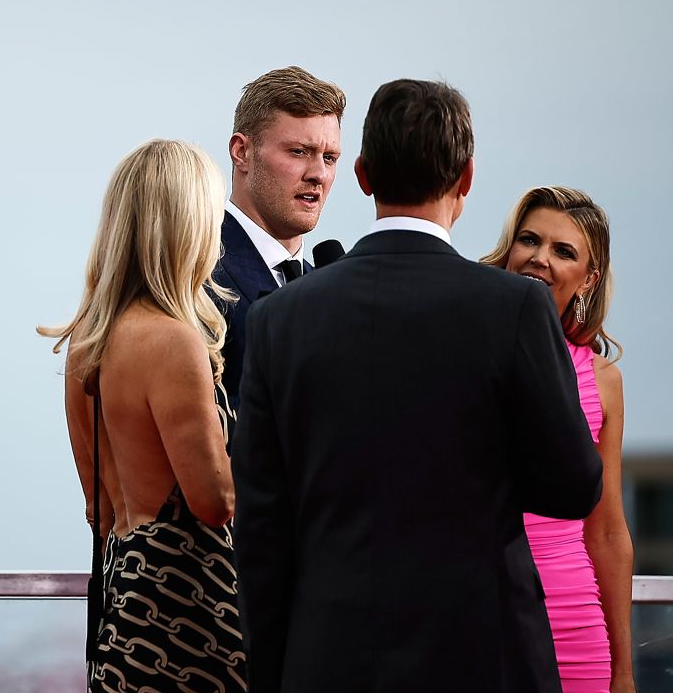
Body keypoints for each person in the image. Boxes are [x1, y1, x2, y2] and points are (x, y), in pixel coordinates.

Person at [230, 79, 605, 692]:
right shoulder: (514, 308)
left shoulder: (281, 317)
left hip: (330, 662)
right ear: (466, 178)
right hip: (483, 657)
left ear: (362, 173)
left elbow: (262, 533)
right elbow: (573, 486)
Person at [39, 139, 247, 692]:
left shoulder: (87, 346)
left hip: (127, 621)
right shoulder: (174, 342)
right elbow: (214, 501)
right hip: (196, 633)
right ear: (186, 226)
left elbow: (100, 512)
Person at [483, 187, 635, 693]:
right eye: (528, 239)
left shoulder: (602, 379)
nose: (539, 258)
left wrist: (623, 671)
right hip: (479, 620)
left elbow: (608, 532)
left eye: (563, 251)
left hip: (574, 624)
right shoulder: (465, 347)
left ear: (588, 279)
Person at [214, 66, 346, 416]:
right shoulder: (196, 273)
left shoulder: (333, 290)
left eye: (329, 158)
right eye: (299, 151)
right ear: (242, 152)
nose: (318, 174)